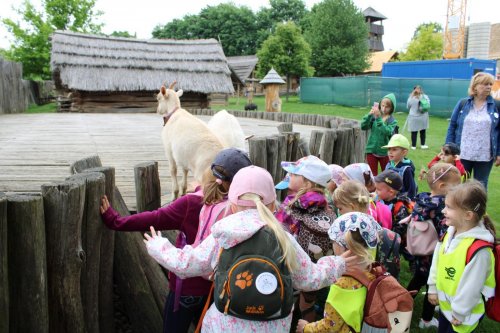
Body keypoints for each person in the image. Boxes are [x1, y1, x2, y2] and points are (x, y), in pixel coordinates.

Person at [144, 166, 362, 333]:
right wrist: (337, 263)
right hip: (273, 325)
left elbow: (186, 264)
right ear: (272, 205)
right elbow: (310, 278)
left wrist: (158, 246)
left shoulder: (223, 233)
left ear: (231, 203)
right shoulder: (282, 237)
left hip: (225, 325)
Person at [99, 147, 252, 333]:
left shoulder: (191, 203)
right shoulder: (243, 210)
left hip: (187, 287)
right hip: (219, 287)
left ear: (210, 172)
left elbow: (154, 218)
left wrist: (115, 220)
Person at [274, 155, 337, 324]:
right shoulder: (325, 204)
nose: (289, 176)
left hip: (291, 263)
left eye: (294, 174)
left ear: (307, 183)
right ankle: (308, 325)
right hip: (316, 266)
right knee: (308, 299)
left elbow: (276, 231)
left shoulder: (293, 204)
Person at [427, 180, 496, 333]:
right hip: (447, 307)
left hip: (463, 315)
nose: (443, 211)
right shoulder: (450, 232)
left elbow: (472, 286)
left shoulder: (479, 251)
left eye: (449, 208)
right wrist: (432, 287)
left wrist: (460, 312)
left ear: (468, 215)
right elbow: (437, 262)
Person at [296, 212, 379, 333]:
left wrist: (305, 327)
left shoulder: (342, 283)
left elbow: (330, 326)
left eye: (333, 241)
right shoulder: (371, 269)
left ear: (341, 246)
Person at [406, 163, 462, 329]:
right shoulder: (442, 206)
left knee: (418, 279)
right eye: (456, 185)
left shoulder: (422, 199)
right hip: (434, 254)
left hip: (420, 249)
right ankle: (426, 320)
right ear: (442, 186)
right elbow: (445, 232)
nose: (458, 189)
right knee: (434, 284)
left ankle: (401, 301)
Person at [445, 72, 500, 190]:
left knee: (480, 186)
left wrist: (499, 153)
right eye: (485, 84)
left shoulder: (496, 105)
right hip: (462, 153)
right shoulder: (463, 104)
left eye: (490, 84)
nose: (489, 87)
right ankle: (458, 208)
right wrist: (448, 148)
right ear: (475, 86)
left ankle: (478, 209)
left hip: (485, 156)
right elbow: (453, 125)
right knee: (459, 185)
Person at [361, 93, 398, 175]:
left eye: (387, 107)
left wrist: (378, 119)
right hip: (371, 150)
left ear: (392, 108)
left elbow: (387, 131)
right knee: (372, 176)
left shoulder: (392, 121)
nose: (384, 109)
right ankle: (374, 188)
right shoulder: (375, 116)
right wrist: (369, 115)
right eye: (382, 105)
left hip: (385, 152)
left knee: (387, 175)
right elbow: (363, 126)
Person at [383, 134, 417, 200]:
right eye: (389, 149)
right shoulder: (389, 165)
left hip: (401, 201)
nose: (390, 152)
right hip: (388, 198)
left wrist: (410, 203)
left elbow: (411, 189)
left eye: (394, 149)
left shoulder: (407, 170)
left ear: (404, 152)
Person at [406, 85, 430, 150]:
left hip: (414, 117)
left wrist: (412, 96)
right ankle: (422, 145)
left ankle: (413, 146)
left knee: (414, 131)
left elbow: (408, 106)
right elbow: (428, 105)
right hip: (423, 116)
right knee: (422, 130)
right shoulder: (425, 96)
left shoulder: (411, 97)